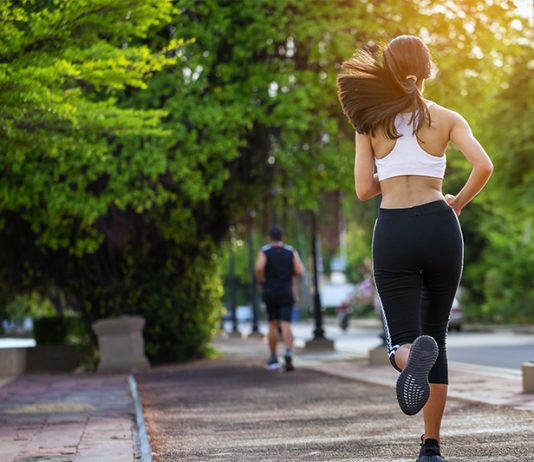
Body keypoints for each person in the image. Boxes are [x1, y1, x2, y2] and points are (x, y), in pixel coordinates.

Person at [337, 35, 493, 462]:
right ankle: (431, 446)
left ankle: (406, 357)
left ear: (386, 72)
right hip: (441, 227)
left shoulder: (369, 122)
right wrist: (456, 204)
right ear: (428, 70)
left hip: (395, 231)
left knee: (403, 339)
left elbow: (364, 189)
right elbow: (484, 166)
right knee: (437, 337)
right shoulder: (446, 118)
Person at [255, 226, 305, 372]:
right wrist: (289, 274)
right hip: (286, 291)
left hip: (270, 290)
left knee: (272, 324)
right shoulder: (290, 251)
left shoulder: (264, 251)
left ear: (269, 238)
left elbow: (259, 267)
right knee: (286, 324)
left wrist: (261, 280)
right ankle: (288, 353)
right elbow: (300, 270)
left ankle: (273, 357)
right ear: (283, 237)